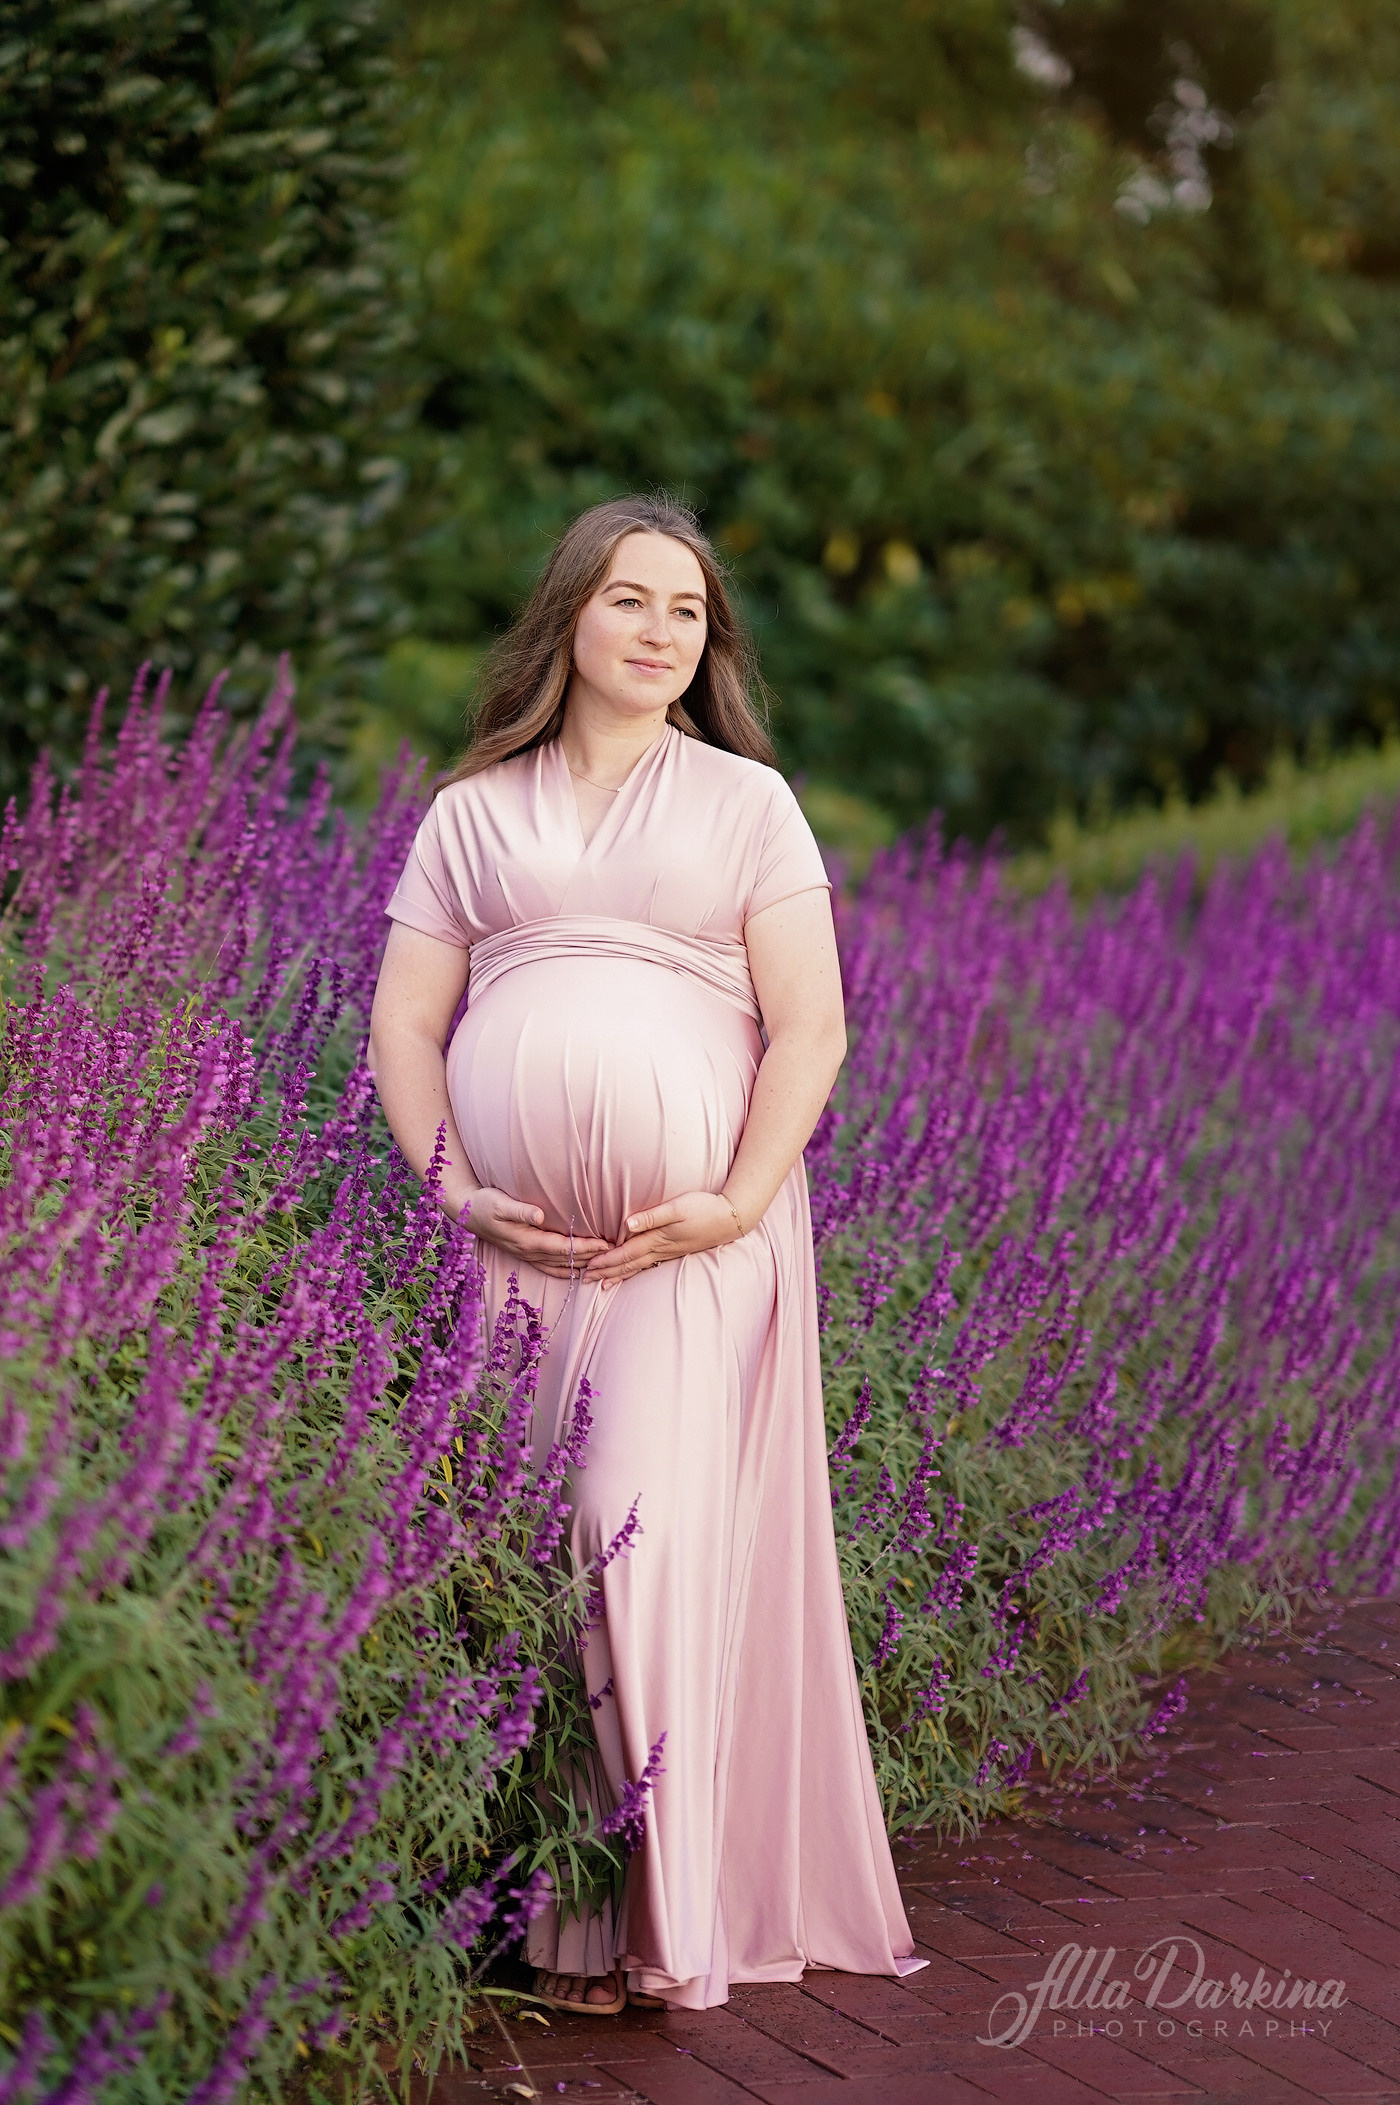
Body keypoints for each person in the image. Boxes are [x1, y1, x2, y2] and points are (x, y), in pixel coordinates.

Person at [369, 495, 923, 2014]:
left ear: (708, 642)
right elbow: (405, 1021)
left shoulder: (749, 804)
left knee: (629, 1536)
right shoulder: (472, 812)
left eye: (687, 610)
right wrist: (454, 1187)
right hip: (513, 1251)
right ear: (569, 617)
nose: (659, 631)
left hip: (692, 1248)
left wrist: (736, 1200)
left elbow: (811, 1028)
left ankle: (655, 1921)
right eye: (630, 599)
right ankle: (569, 1922)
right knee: (534, 1561)